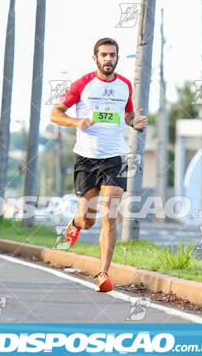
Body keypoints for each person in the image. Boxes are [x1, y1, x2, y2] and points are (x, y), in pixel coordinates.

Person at [49, 37, 147, 292]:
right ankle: (76, 223)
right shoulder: (83, 84)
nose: (108, 59)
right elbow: (55, 113)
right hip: (86, 159)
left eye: (112, 55)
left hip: (114, 158)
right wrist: (76, 122)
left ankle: (103, 273)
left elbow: (126, 114)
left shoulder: (125, 85)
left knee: (110, 217)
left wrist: (133, 121)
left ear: (116, 57)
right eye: (103, 55)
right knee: (88, 220)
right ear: (95, 58)